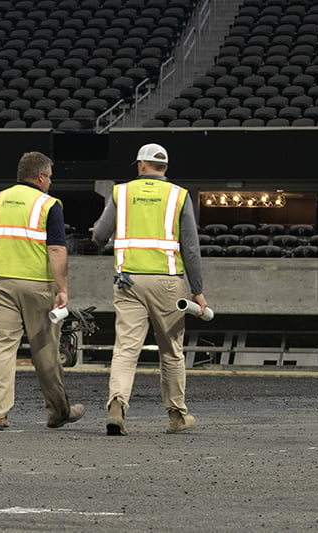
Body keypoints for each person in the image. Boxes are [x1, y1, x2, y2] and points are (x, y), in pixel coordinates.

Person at [91, 143, 208, 435]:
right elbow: (191, 248)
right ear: (164, 168)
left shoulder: (122, 192)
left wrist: (99, 233)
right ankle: (176, 416)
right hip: (168, 283)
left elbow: (101, 236)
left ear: (142, 166)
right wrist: (198, 290)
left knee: (126, 349)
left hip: (129, 282)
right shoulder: (179, 196)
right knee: (171, 351)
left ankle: (117, 406)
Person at [0, 151, 85, 431]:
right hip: (37, 284)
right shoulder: (48, 204)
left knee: (2, 345)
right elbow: (57, 248)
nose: (50, 182)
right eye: (49, 177)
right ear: (40, 176)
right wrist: (62, 289)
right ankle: (58, 412)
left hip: (0, 281)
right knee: (45, 348)